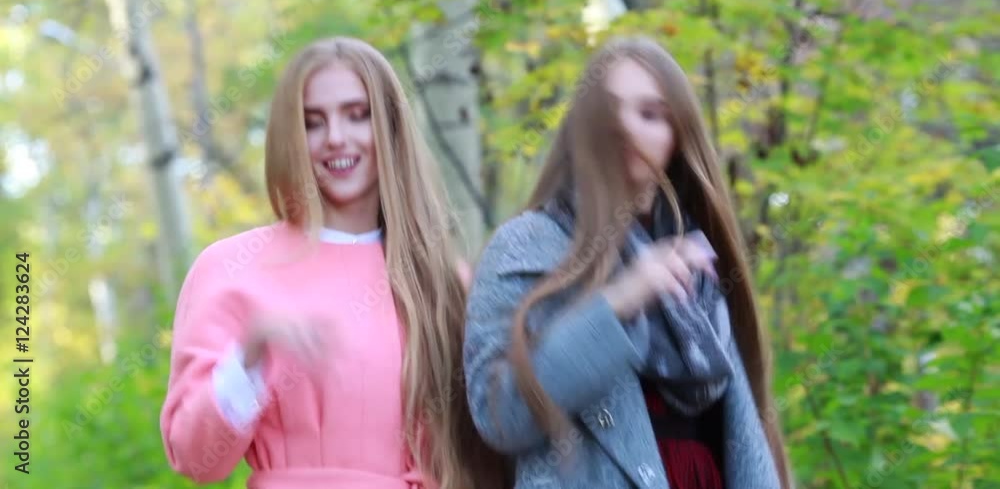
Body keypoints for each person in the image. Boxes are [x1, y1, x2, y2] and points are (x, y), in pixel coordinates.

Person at [161, 37, 507, 489]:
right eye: (313, 122)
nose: (337, 138)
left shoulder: (442, 281)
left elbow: (483, 449)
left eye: (357, 115)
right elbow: (194, 458)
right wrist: (249, 359)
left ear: (390, 127)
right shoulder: (230, 269)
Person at [464, 36, 791, 488]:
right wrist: (618, 301)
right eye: (611, 110)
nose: (629, 130)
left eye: (652, 114)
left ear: (678, 137)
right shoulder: (527, 247)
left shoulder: (697, 258)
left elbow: (746, 443)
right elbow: (499, 416)